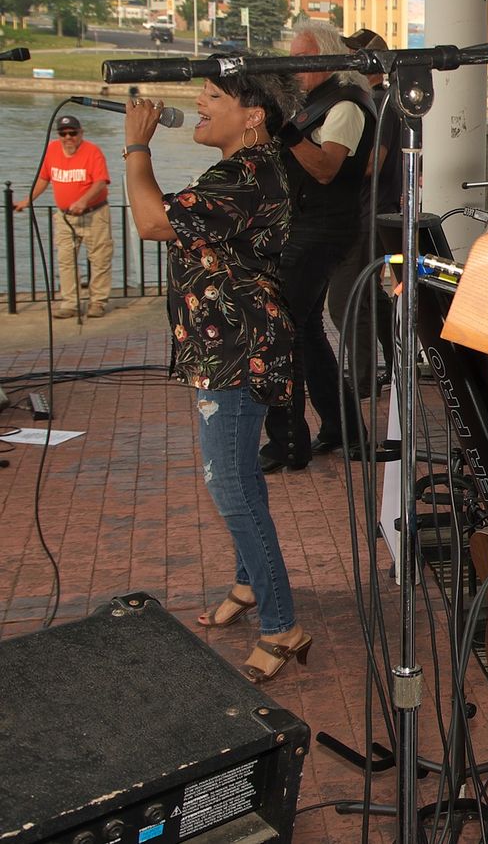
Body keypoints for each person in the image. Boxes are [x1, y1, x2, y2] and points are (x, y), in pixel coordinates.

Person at [120, 77, 314, 684]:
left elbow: (152, 221)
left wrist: (136, 146)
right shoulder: (246, 168)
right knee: (240, 475)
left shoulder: (245, 174)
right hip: (230, 344)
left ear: (252, 116)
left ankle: (282, 626)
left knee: (230, 484)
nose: (198, 106)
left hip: (236, 349)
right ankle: (249, 584)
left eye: (213, 97)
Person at [259, 19, 376, 472]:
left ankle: (288, 442)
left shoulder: (345, 105)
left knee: (282, 330)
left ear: (326, 58)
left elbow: (327, 169)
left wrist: (286, 131)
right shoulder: (318, 103)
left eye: (302, 59)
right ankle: (343, 429)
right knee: (304, 331)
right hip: (310, 227)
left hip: (321, 231)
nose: (295, 68)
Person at [323, 27, 402, 397]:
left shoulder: (380, 103)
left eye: (353, 56)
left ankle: (364, 379)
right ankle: (395, 360)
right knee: (370, 295)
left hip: (368, 214)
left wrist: (329, 164)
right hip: (370, 211)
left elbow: (373, 163)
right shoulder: (376, 100)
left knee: (345, 300)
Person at [13, 115, 114, 318]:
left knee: (100, 259)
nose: (68, 137)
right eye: (63, 133)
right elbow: (44, 178)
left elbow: (100, 182)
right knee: (66, 259)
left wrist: (83, 201)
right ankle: (70, 303)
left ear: (80, 133)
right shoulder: (51, 149)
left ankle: (97, 302)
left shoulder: (92, 151)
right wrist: (27, 200)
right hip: (64, 217)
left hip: (95, 214)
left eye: (72, 133)